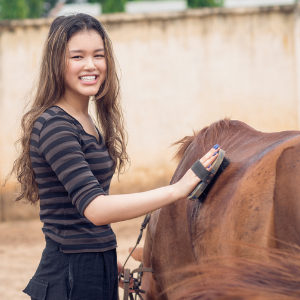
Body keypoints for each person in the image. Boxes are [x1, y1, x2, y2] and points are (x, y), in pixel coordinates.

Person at [10, 13, 220, 300]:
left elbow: (78, 220)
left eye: (98, 55)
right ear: (56, 62)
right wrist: (178, 189)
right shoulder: (55, 126)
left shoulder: (84, 120)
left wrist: (110, 265)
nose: (91, 65)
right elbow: (95, 209)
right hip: (69, 278)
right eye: (77, 57)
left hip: (94, 269)